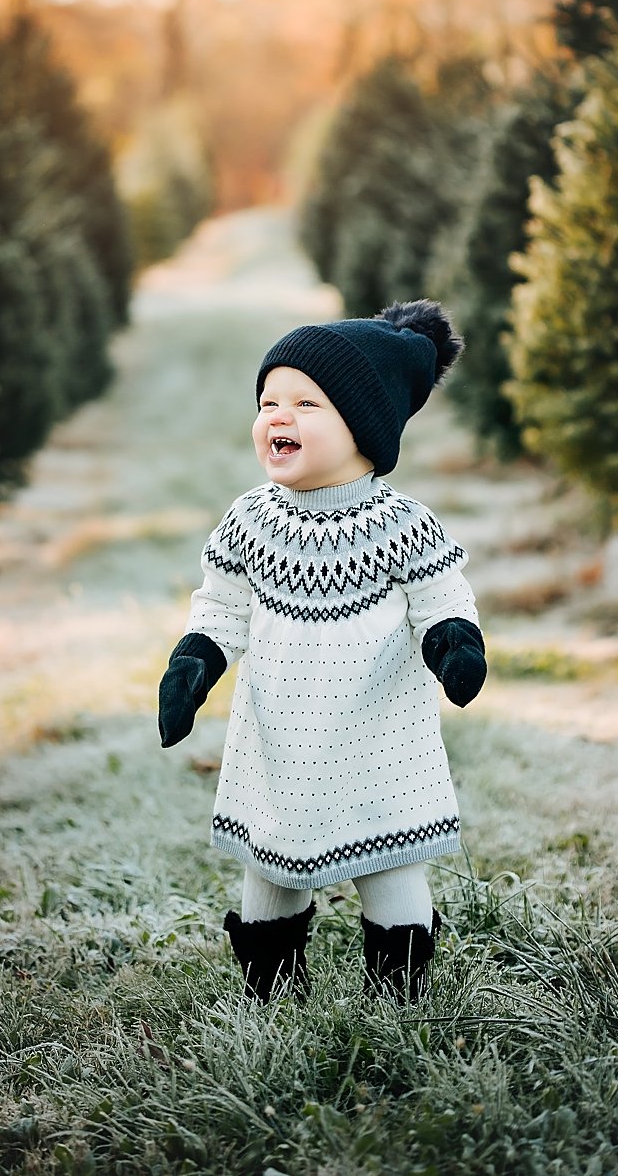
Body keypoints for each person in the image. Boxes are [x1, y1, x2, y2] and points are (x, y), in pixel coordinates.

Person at [157, 299, 488, 1003]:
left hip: (378, 738)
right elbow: (221, 605)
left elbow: (441, 598)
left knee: (391, 862)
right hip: (279, 739)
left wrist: (454, 644)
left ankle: (398, 994)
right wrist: (195, 661)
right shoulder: (249, 520)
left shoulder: (400, 524)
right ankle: (273, 989)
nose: (280, 415)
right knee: (271, 867)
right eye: (270, 399)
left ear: (364, 425)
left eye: (307, 402)